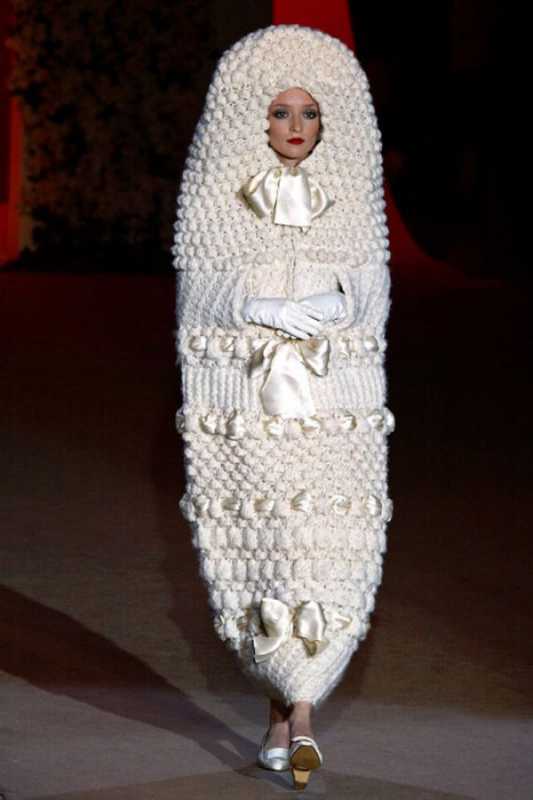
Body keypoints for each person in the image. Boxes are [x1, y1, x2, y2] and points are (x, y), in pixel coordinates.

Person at [172, 24, 394, 790]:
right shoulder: (217, 195)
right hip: (250, 407)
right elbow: (196, 294)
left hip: (331, 406)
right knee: (268, 545)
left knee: (320, 547)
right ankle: (283, 717)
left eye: (308, 112)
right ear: (252, 117)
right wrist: (256, 305)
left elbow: (372, 294)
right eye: (278, 111)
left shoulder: (349, 195)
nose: (294, 126)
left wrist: (337, 305)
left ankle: (297, 716)